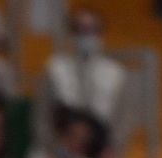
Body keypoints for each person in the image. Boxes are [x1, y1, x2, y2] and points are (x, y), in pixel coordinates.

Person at [44, 7, 126, 147]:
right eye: (80, 30)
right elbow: (43, 115)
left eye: (91, 30)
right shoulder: (55, 69)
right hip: (61, 151)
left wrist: (113, 150)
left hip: (101, 150)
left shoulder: (115, 73)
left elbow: (123, 118)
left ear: (100, 34)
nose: (86, 36)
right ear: (71, 34)